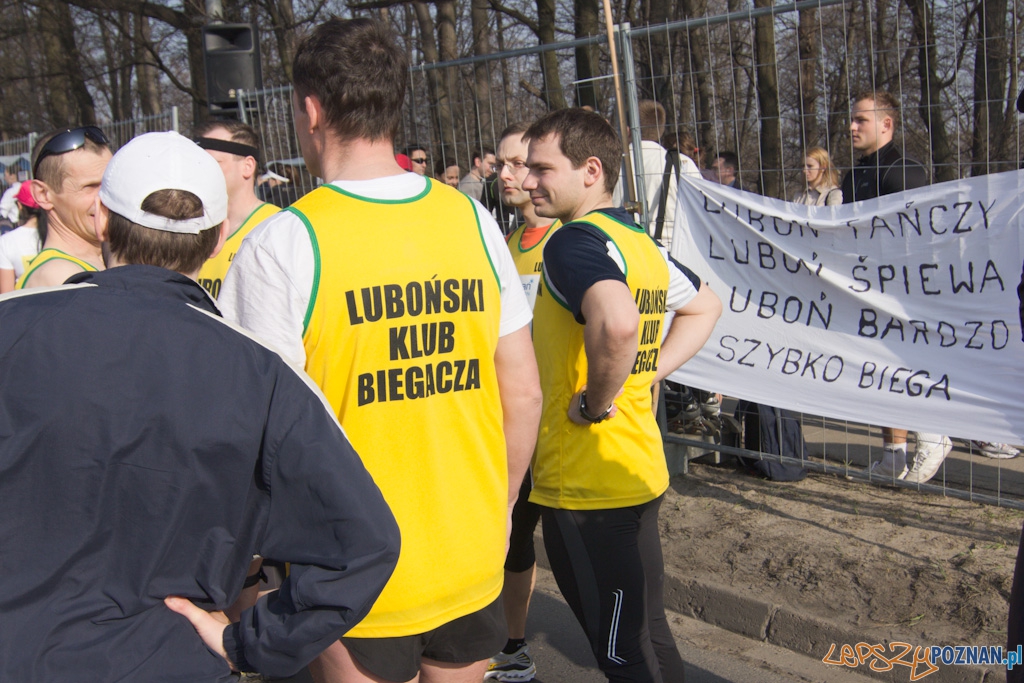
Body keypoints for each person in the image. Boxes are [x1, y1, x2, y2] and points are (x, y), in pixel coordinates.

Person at [0, 130, 401, 682]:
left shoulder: (13, 327)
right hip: (170, 659)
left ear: (102, 221)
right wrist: (253, 641)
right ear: (218, 239)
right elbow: (365, 541)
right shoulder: (261, 372)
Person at [218, 17, 542, 683]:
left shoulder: (284, 243)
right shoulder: (472, 220)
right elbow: (523, 390)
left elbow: (252, 435)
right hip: (469, 546)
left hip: (350, 568)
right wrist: (501, 509)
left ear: (312, 111)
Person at [522, 108, 722, 682]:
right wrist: (647, 373)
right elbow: (706, 306)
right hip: (637, 470)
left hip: (586, 484)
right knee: (648, 632)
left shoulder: (571, 243)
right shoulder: (636, 241)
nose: (529, 181)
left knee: (620, 651)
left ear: (591, 170)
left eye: (542, 168)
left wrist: (595, 401)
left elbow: (617, 323)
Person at [839, 90, 952, 484]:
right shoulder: (854, 174)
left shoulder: (905, 171)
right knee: (877, 367)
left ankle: (932, 435)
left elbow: (918, 237)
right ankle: (892, 456)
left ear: (886, 124)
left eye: (861, 120)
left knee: (904, 364)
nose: (851, 127)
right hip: (865, 284)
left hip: (903, 289)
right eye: (852, 119)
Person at [483, 122, 562, 682]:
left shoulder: (569, 241)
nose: (506, 174)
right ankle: (510, 643)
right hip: (509, 421)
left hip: (559, 430)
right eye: (502, 164)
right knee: (508, 538)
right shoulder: (505, 244)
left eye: (518, 163)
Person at [193, 121, 280, 300]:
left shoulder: (275, 226)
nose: (201, 170)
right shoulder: (189, 229)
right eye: (198, 163)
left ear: (247, 166)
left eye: (214, 162)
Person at [17, 126, 111, 289]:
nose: (105, 197)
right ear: (43, 195)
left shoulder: (105, 260)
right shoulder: (61, 277)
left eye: (110, 183)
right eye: (90, 186)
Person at [0, 182, 43, 292]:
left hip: (25, 301)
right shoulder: (62, 235)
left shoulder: (6, 242)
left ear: (19, 206)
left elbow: (7, 293)